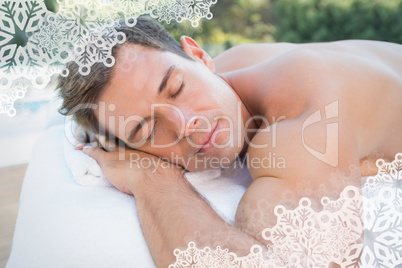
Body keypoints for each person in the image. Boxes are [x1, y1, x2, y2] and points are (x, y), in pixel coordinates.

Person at [58, 16, 402, 266]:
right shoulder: (231, 69)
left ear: (199, 56)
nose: (184, 126)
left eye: (177, 88)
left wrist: (150, 177)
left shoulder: (300, 127)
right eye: (146, 131)